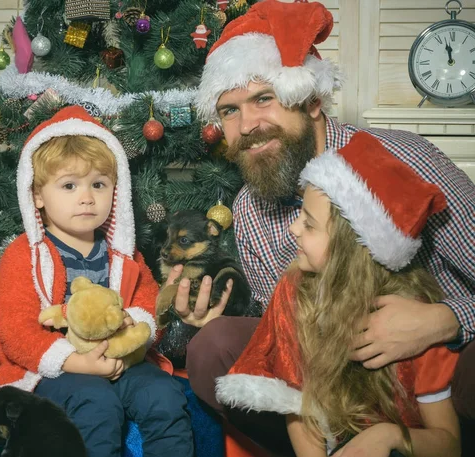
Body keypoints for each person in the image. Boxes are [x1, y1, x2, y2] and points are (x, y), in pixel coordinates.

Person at [160, 0, 475, 450]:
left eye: (263, 98)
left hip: (437, 366)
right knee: (214, 346)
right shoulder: (250, 208)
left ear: (309, 100)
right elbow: (285, 325)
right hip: (331, 376)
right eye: (229, 110)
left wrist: (443, 321)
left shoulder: (403, 161)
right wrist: (219, 319)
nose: (248, 125)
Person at [216, 131, 461, 457]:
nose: (294, 229)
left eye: (310, 224)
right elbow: (296, 405)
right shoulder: (295, 293)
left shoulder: (411, 319)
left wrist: (390, 437)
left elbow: (449, 444)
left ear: (352, 250)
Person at [0, 106, 194, 457]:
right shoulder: (25, 255)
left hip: (121, 362)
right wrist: (74, 361)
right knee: (95, 403)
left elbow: (148, 309)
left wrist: (135, 328)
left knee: (164, 394)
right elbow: (15, 330)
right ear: (37, 196)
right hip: (56, 369)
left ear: (116, 189)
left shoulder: (124, 255)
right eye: (69, 185)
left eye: (98, 184)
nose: (86, 197)